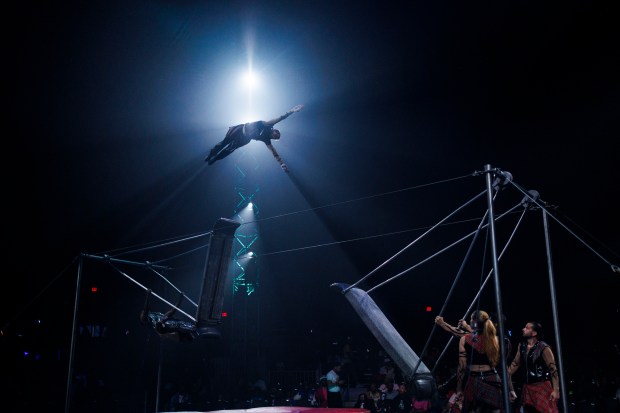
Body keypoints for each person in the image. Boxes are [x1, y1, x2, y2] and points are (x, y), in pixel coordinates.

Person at [205, 104, 304, 171]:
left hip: (244, 139)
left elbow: (273, 151)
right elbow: (279, 118)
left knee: (230, 149)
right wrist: (291, 111)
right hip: (240, 129)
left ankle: (216, 158)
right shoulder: (267, 125)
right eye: (276, 134)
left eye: (276, 137)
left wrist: (281, 163)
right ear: (274, 130)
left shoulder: (267, 139)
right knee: (224, 143)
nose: (275, 136)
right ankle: (211, 154)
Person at [455, 310, 503, 413]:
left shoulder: (465, 339)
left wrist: (459, 388)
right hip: (491, 377)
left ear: (473, 322)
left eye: (471, 319)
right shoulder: (495, 340)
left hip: (476, 379)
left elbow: (462, 366)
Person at [507, 322, 559, 413]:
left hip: (541, 386)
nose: (523, 329)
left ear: (534, 333)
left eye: (527, 328)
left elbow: (553, 369)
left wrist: (556, 390)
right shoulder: (522, 346)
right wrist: (507, 378)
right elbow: (515, 363)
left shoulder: (543, 347)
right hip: (527, 387)